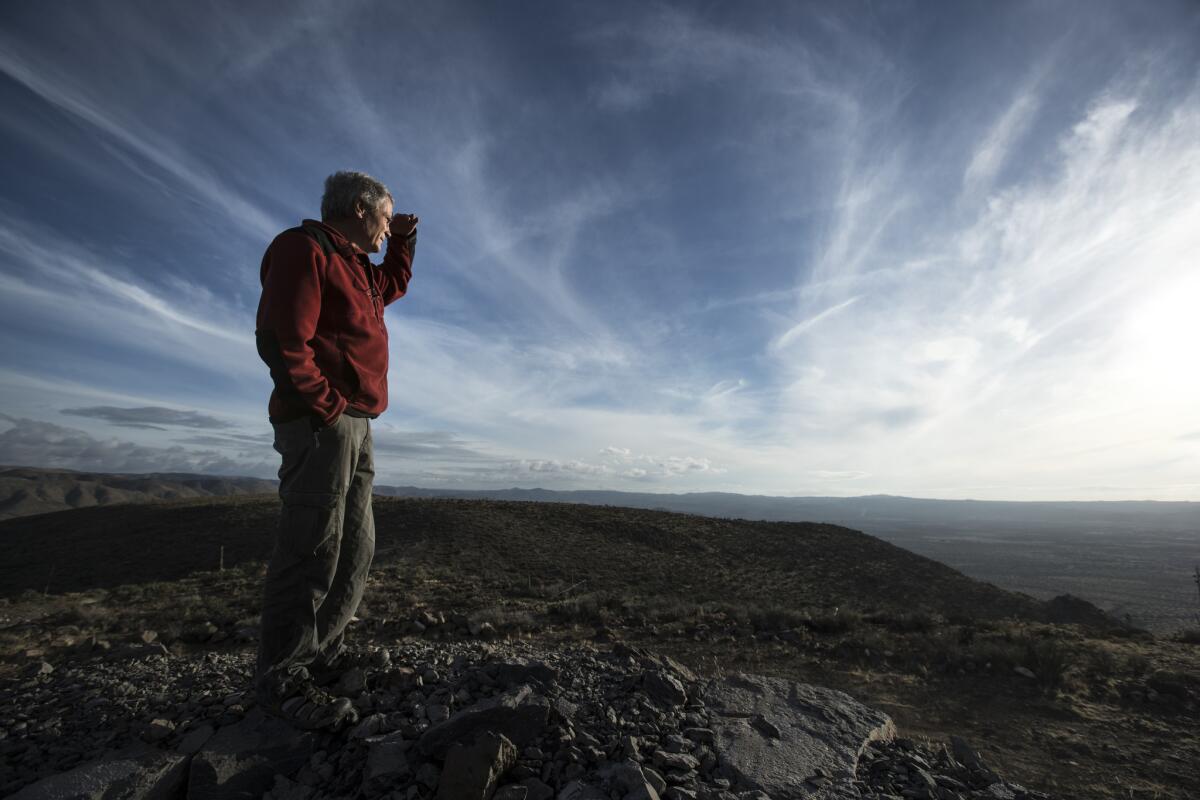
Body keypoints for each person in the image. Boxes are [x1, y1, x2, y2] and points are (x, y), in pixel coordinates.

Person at [253, 170, 418, 729]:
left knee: (356, 546)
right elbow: (280, 339)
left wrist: (402, 241)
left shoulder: (358, 268)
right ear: (357, 208)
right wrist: (324, 406)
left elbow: (391, 285)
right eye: (385, 216)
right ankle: (283, 675)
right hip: (323, 421)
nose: (387, 226)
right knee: (312, 545)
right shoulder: (304, 249)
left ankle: (321, 653)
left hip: (358, 422)